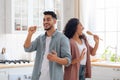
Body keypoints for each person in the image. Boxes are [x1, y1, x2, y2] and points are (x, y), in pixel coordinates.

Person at [23, 11, 71, 80]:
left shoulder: (62, 38)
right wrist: (30, 34)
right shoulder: (40, 38)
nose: (45, 22)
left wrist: (56, 59)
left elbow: (68, 61)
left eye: (48, 19)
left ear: (54, 21)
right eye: (44, 20)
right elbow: (27, 48)